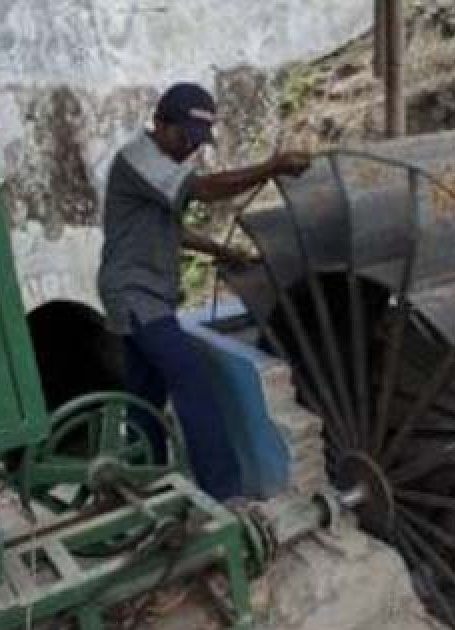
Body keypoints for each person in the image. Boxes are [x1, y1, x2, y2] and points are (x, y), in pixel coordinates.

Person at [97, 82, 310, 502]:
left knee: (145, 394)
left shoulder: (156, 168)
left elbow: (173, 230)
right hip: (135, 291)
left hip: (147, 291)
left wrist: (222, 250)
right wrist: (272, 167)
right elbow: (204, 190)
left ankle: (144, 481)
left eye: (197, 144)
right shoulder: (139, 158)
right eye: (185, 139)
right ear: (160, 123)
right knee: (192, 381)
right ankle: (226, 493)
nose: (189, 151)